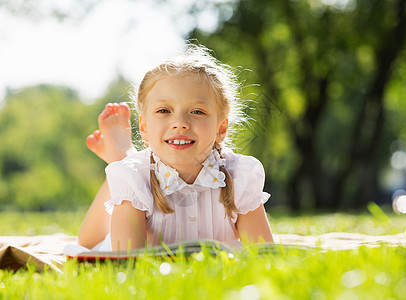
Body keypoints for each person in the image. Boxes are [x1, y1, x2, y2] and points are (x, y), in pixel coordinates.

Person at [77, 45, 273, 251]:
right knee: (90, 244)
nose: (180, 123)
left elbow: (263, 255)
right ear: (143, 128)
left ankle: (123, 156)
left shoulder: (241, 175)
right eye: (164, 110)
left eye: (197, 111)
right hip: (133, 184)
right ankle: (121, 157)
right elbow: (124, 260)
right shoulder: (134, 178)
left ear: (221, 128)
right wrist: (125, 170)